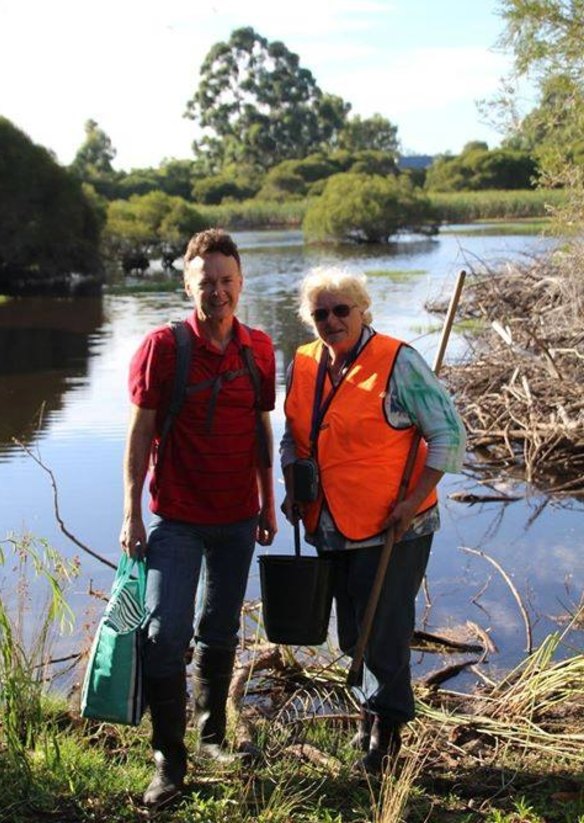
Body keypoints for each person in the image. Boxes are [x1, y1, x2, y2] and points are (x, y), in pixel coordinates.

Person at [281, 267, 465, 776]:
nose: (332, 320)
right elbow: (292, 438)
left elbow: (450, 436)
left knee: (383, 630)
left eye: (342, 309)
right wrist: (293, 487)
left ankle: (387, 734)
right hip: (329, 523)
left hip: (394, 527)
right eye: (321, 313)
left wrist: (414, 499)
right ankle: (369, 710)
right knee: (351, 633)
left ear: (364, 310)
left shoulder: (398, 361)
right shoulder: (303, 363)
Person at [119, 228, 277, 807]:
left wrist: (267, 500)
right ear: (188, 285)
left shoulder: (259, 348)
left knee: (220, 632)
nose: (218, 291)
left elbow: (263, 429)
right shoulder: (164, 347)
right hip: (177, 520)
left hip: (238, 517)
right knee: (165, 638)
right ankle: (168, 761)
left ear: (240, 283)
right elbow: (139, 435)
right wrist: (131, 514)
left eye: (227, 281)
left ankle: (212, 738)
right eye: (206, 281)